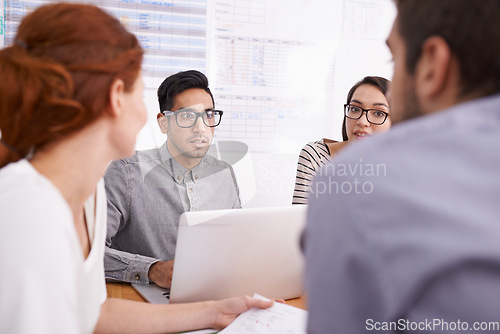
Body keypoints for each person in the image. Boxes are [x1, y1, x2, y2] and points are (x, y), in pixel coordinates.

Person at [0, 4, 272, 333]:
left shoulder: (90, 198)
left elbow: (95, 316)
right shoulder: (26, 210)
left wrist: (217, 313)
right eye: (140, 93)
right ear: (117, 97)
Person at [303, 0, 500, 333]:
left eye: (394, 58)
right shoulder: (322, 156)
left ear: (431, 67)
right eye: (356, 109)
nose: (365, 121)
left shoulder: (353, 189)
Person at [104, 70, 241, 289]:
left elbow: (238, 244)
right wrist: (152, 270)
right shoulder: (127, 172)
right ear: (164, 123)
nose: (201, 127)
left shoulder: (224, 173)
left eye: (208, 114)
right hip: (147, 303)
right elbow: (87, 253)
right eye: (187, 116)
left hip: (214, 292)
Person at [292, 76, 391, 204]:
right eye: (355, 109)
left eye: (378, 113)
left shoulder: (401, 167)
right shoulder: (316, 156)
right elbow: (299, 218)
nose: (362, 121)